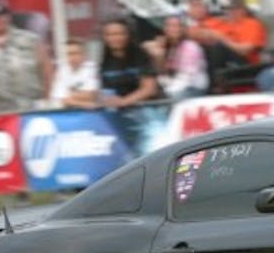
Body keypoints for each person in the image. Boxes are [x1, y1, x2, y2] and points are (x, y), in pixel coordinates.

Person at [0, 2, 52, 114]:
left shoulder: (30, 40)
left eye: (1, 15)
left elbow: (46, 70)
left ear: (8, 17)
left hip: (29, 107)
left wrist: (48, 99)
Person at [98, 17, 160, 154]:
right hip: (121, 119)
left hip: (148, 115)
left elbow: (150, 88)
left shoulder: (140, 55)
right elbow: (105, 91)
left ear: (127, 35)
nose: (116, 38)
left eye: (120, 33)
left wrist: (124, 101)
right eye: (111, 34)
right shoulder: (105, 62)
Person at [146, 14, 208, 100]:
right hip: (172, 85)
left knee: (172, 98)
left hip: (192, 87)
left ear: (183, 29)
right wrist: (159, 56)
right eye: (169, 26)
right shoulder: (167, 47)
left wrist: (167, 90)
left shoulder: (191, 47)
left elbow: (187, 79)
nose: (173, 29)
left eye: (177, 26)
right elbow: (161, 73)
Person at [216, 0, 268, 66]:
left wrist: (222, 39)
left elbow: (245, 51)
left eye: (233, 9)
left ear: (243, 10)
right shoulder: (224, 24)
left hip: (248, 63)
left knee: (218, 47)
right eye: (228, 9)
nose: (230, 12)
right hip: (229, 60)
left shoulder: (253, 24)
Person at [50, 38, 99, 108]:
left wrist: (69, 96)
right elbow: (58, 99)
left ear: (83, 54)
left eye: (75, 53)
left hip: (90, 115)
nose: (71, 57)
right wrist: (84, 103)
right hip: (69, 113)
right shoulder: (62, 70)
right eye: (68, 54)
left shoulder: (92, 68)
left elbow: (92, 95)